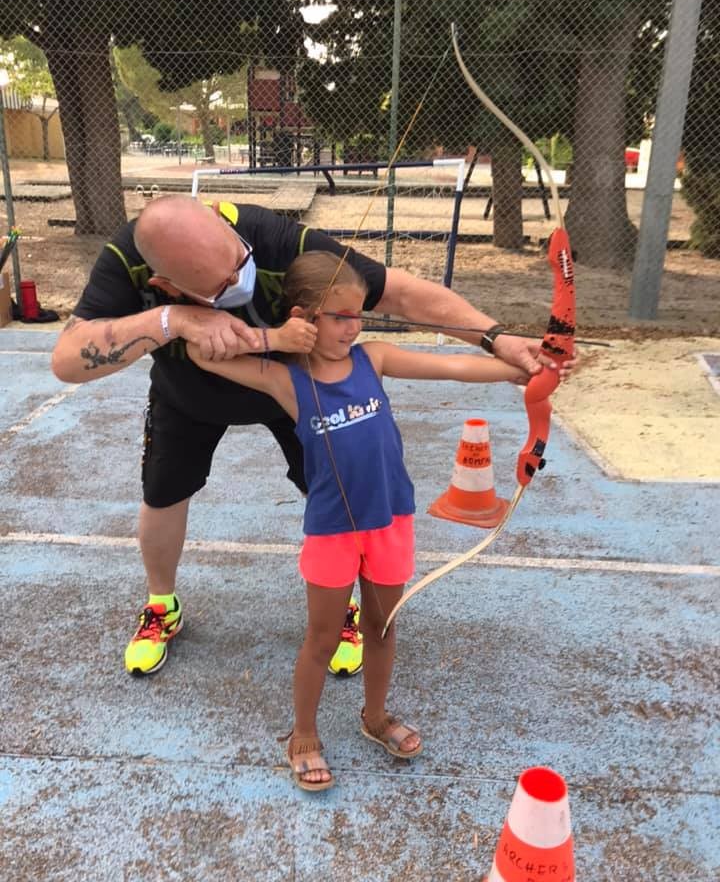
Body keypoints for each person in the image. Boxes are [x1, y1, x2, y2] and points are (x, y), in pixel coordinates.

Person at [50, 195, 574, 677]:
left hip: (298, 390)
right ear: (166, 282)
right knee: (163, 494)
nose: (239, 277)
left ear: (220, 223)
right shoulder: (128, 258)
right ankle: (162, 605)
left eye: (238, 260)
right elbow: (68, 359)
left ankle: (342, 604)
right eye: (219, 285)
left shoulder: (277, 239)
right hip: (189, 394)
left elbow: (399, 293)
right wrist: (173, 320)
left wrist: (496, 339)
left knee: (338, 499)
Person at [185, 250, 535, 790]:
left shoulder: (375, 358)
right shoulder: (286, 380)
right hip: (332, 530)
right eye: (341, 317)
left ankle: (375, 717)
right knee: (323, 638)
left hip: (391, 520)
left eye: (359, 315)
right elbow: (200, 353)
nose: (354, 327)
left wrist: (527, 368)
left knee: (382, 626)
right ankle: (303, 733)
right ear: (305, 317)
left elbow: (455, 368)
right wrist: (275, 338)